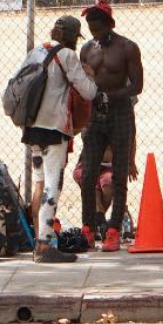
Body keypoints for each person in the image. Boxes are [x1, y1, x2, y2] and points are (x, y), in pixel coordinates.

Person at [15, 15, 98, 264]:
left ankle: (38, 242)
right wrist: (89, 76)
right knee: (53, 185)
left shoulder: (36, 52)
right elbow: (88, 91)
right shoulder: (67, 56)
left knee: (40, 183)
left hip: (32, 129)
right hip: (53, 129)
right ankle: (44, 246)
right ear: (72, 36)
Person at [79, 0, 143, 252]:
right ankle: (88, 228)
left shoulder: (127, 48)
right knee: (88, 173)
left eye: (98, 28)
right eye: (91, 29)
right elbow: (82, 82)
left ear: (110, 25)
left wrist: (111, 95)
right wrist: (91, 99)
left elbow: (137, 86)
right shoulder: (86, 49)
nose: (95, 34)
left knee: (118, 174)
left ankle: (114, 230)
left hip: (119, 113)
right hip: (94, 117)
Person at [73, 145, 114, 235]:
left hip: (109, 167)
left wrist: (131, 161)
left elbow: (131, 137)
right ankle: (100, 221)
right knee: (90, 182)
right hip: (88, 164)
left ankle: (96, 222)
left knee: (108, 185)